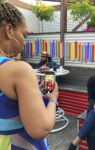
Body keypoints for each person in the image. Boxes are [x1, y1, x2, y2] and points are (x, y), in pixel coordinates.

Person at [0, 1, 59, 150]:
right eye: (23, 34)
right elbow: (40, 129)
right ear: (8, 30)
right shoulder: (18, 70)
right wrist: (53, 99)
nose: (24, 42)